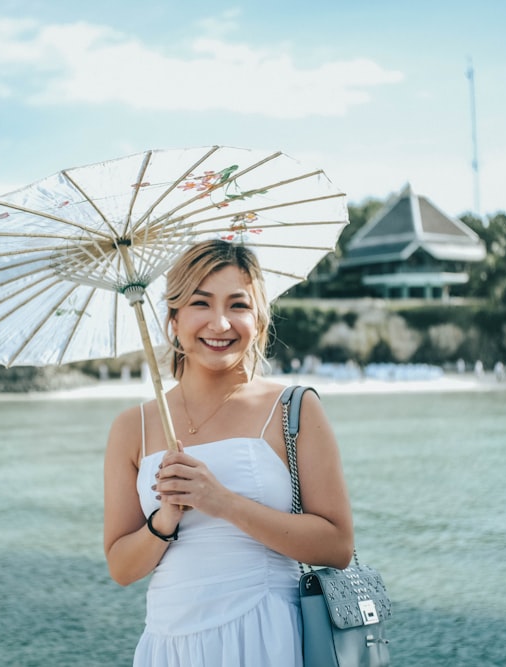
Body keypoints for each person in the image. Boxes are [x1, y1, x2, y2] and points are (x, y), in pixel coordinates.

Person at [103, 239, 354, 666]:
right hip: (169, 645)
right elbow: (122, 568)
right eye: (201, 303)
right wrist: (164, 520)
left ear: (258, 319)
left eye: (238, 305)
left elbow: (337, 546)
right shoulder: (133, 427)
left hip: (266, 636)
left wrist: (221, 501)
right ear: (174, 319)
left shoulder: (294, 408)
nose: (220, 323)